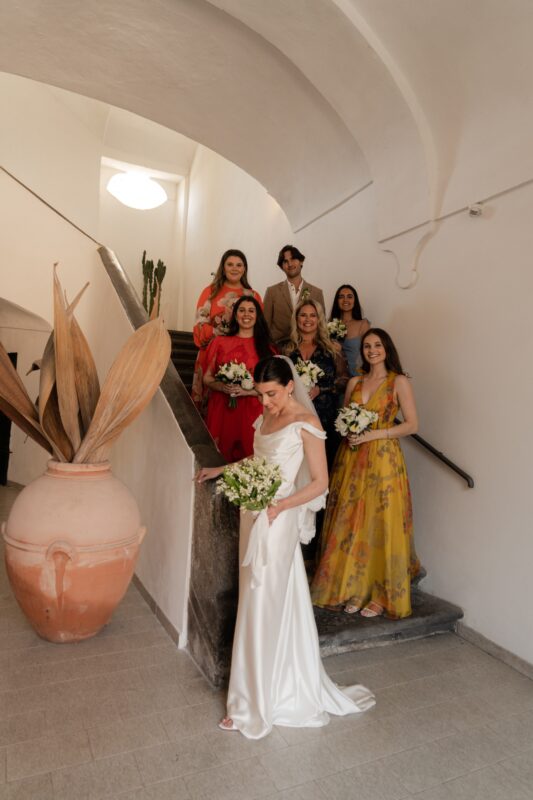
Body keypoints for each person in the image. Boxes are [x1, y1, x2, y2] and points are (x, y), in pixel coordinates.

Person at [196, 356, 375, 739]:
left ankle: (251, 704)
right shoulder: (266, 416)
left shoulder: (306, 423)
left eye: (272, 394)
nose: (265, 403)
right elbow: (259, 460)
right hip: (254, 513)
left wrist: (281, 506)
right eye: (260, 395)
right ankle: (266, 687)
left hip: (279, 519)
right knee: (255, 598)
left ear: (290, 386)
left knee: (262, 600)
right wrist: (223, 470)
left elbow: (320, 482)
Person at [311, 329, 420, 619]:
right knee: (351, 521)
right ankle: (355, 589)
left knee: (380, 523)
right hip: (352, 458)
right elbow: (344, 418)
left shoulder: (398, 381)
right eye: (368, 346)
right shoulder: (355, 382)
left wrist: (375, 434)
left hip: (384, 460)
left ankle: (380, 596)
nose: (372, 350)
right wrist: (349, 431)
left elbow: (412, 425)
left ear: (387, 348)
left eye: (377, 345)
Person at [203, 296, 275, 462]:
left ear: (257, 316)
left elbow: (271, 387)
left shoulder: (267, 348)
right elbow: (207, 378)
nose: (246, 314)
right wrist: (221, 386)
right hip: (222, 409)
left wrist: (247, 391)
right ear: (235, 315)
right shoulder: (219, 342)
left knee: (248, 457)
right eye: (242, 310)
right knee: (219, 456)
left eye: (251, 311)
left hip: (252, 410)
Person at [192, 250, 262, 410]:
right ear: (223, 268)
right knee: (207, 406)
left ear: (244, 269)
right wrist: (223, 333)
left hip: (243, 356)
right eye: (230, 264)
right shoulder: (210, 292)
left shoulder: (253, 296)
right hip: (211, 353)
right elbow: (199, 327)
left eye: (239, 265)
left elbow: (259, 328)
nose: (234, 268)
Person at [285, 298, 349, 468]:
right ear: (296, 318)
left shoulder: (332, 348)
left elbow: (344, 380)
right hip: (294, 416)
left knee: (322, 465)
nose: (308, 319)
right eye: (303, 315)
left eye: (313, 315)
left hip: (325, 417)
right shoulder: (287, 349)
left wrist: (321, 389)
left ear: (319, 319)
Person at [263, 245, 325, 345]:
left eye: (293, 259)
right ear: (282, 267)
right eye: (285, 261)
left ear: (301, 261)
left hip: (308, 347)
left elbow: (322, 325)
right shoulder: (272, 292)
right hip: (278, 347)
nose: (290, 264)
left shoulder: (316, 293)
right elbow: (264, 325)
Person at [329, 284, 370, 376]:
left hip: (357, 376)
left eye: (349, 296)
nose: (345, 300)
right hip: (335, 376)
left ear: (355, 300)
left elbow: (368, 352)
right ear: (337, 301)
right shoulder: (329, 325)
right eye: (341, 297)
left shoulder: (363, 324)